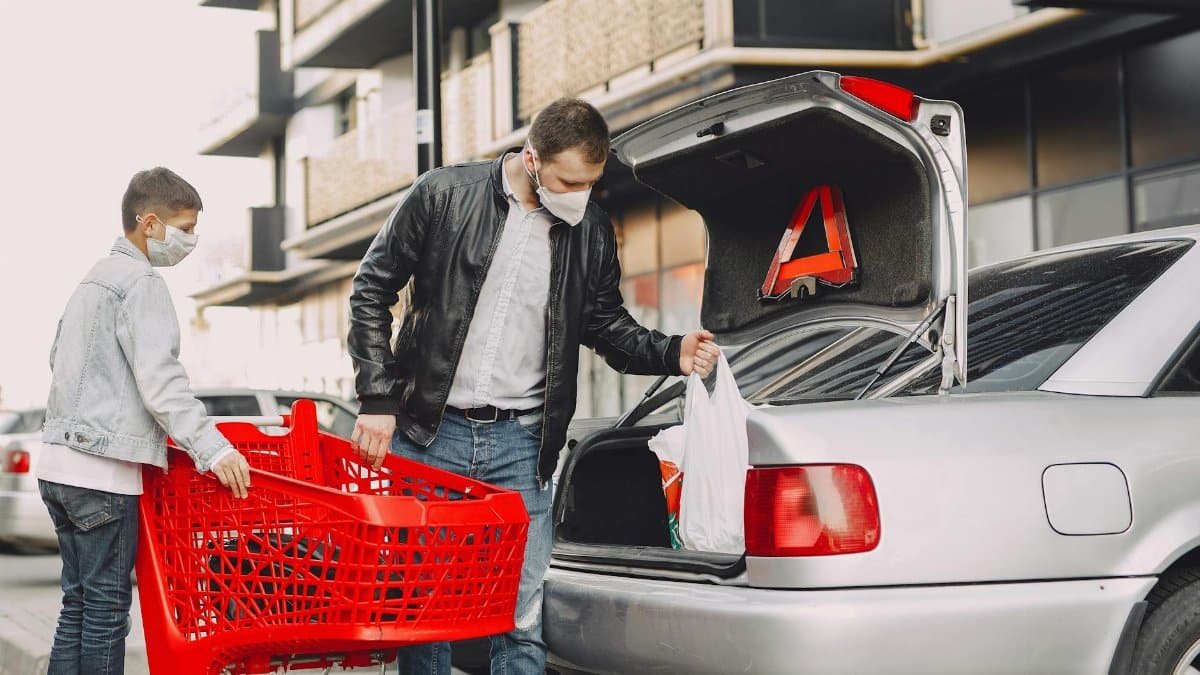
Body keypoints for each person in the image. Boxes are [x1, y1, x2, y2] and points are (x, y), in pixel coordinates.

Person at [348, 97, 721, 674]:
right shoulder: (445, 195)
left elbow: (603, 324)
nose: (583, 196)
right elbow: (371, 289)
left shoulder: (591, 228)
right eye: (570, 181)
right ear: (531, 158)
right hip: (428, 434)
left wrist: (671, 351)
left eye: (593, 184)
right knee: (426, 616)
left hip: (521, 445)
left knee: (521, 618)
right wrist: (376, 399)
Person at [38, 167, 252, 675]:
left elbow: (56, 360)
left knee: (78, 606)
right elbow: (162, 381)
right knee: (107, 614)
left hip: (58, 467)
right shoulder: (142, 282)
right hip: (102, 474)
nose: (191, 241)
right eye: (184, 228)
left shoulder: (92, 279)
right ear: (149, 223)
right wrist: (214, 448)